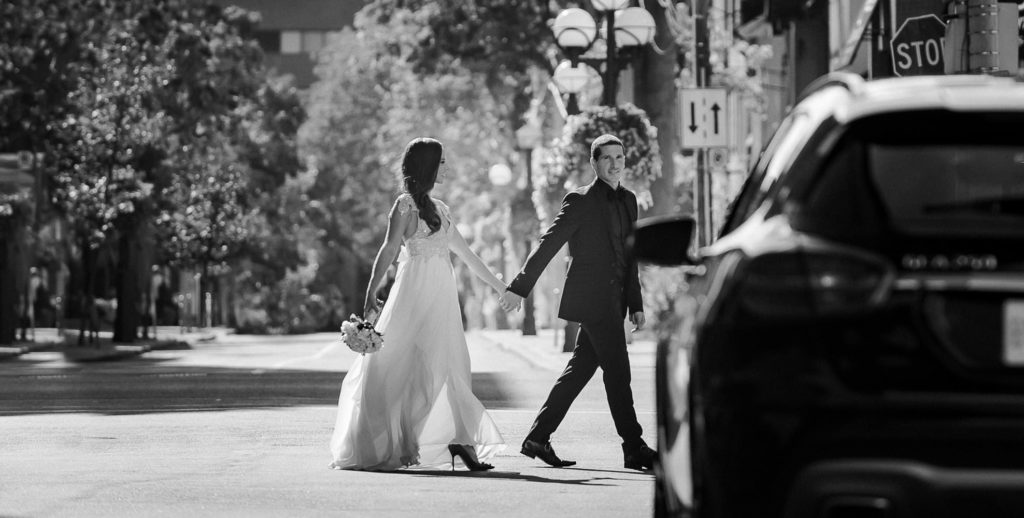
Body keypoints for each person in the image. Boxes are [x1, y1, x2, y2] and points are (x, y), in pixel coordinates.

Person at [329, 137, 507, 472]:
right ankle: (399, 441)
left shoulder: (442, 210)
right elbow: (389, 249)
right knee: (397, 365)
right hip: (412, 297)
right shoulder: (405, 205)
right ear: (427, 166)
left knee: (452, 363)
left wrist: (501, 287)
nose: (446, 168)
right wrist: (371, 293)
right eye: (441, 162)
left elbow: (468, 256)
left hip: (442, 301)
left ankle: (462, 441)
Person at [501, 134, 656, 471]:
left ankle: (538, 437)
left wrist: (636, 303)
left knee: (579, 370)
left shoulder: (630, 200)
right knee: (618, 372)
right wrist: (519, 287)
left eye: (619, 157)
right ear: (594, 163)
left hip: (614, 300)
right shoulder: (580, 200)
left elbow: (631, 256)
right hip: (592, 299)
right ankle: (633, 446)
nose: (615, 164)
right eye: (607, 158)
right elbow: (549, 243)